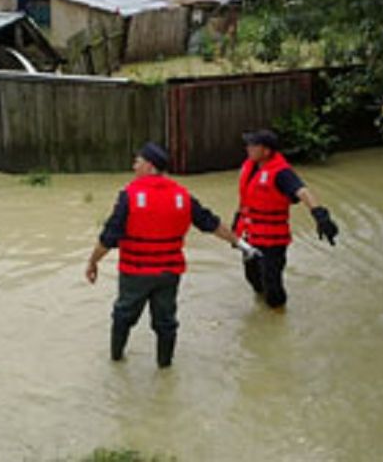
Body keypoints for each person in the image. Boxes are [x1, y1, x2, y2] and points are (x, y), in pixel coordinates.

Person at [85, 142, 261, 368]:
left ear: (149, 166)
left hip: (135, 273)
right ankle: (165, 366)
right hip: (169, 273)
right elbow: (212, 224)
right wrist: (242, 244)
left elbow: (109, 236)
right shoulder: (183, 196)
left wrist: (92, 262)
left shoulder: (128, 196)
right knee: (166, 322)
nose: (133, 167)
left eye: (137, 162)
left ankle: (116, 361)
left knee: (123, 316)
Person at [234, 129, 339, 309]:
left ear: (266, 151)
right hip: (250, 235)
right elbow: (246, 199)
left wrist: (320, 215)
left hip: (272, 240)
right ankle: (262, 309)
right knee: (252, 277)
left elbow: (303, 191)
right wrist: (236, 223)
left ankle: (277, 316)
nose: (248, 148)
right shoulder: (251, 167)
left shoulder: (282, 173)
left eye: (253, 145)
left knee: (272, 286)